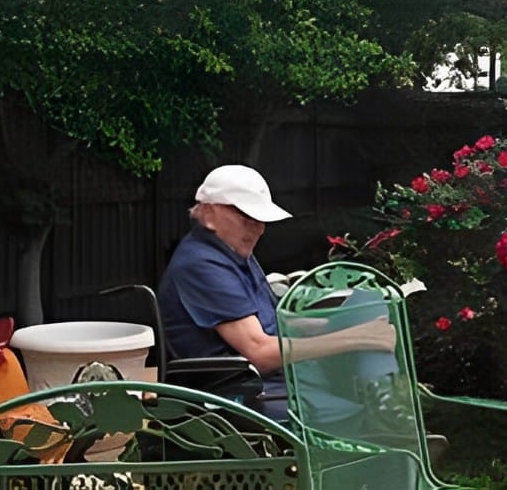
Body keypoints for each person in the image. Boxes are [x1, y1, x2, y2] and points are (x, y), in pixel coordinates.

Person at [157, 164, 395, 420]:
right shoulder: (203, 264)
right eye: (247, 217)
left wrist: (342, 323)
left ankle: (388, 405)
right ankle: (385, 417)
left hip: (272, 382)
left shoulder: (232, 252)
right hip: (238, 395)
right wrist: (357, 338)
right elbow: (259, 353)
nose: (258, 229)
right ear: (210, 214)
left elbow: (272, 326)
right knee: (357, 421)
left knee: (365, 304)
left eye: (261, 220)